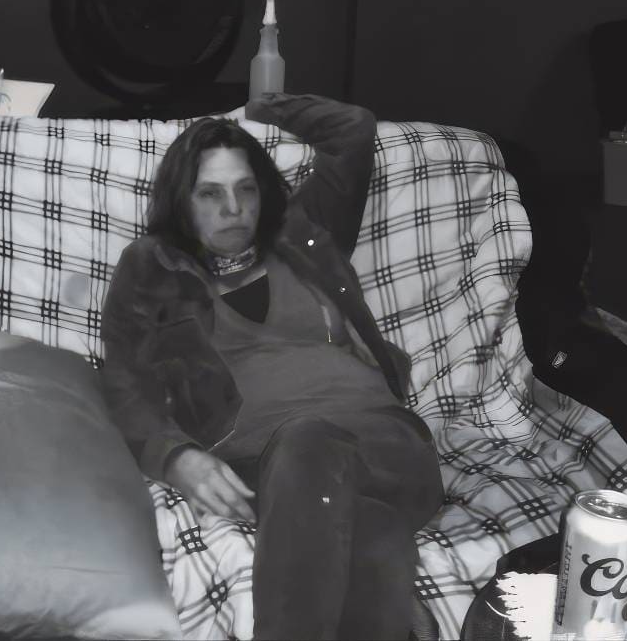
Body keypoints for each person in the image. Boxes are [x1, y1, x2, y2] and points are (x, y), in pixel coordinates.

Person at [99, 93, 445, 640]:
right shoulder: (152, 268)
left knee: (311, 443)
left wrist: (260, 105)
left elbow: (353, 130)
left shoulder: (302, 235)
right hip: (263, 471)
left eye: (246, 189)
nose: (232, 208)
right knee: (372, 534)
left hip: (386, 445)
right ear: (180, 202)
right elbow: (124, 383)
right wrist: (176, 457)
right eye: (210, 193)